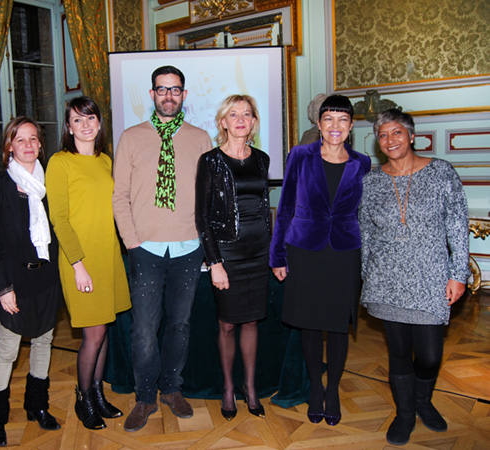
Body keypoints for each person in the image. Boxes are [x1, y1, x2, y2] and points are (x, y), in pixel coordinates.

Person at [359, 109, 470, 446]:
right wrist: (367, 276)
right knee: (398, 350)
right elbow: (365, 232)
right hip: (386, 278)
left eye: (396, 133)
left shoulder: (441, 173)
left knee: (430, 354)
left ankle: (422, 398)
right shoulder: (372, 181)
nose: (390, 140)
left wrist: (459, 273)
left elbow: (457, 225)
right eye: (382, 135)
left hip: (430, 277)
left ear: (411, 135)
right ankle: (405, 413)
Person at [113, 65, 213, 432]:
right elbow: (119, 196)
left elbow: (206, 197)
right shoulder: (131, 137)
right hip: (145, 249)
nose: (168, 95)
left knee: (180, 326)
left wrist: (204, 243)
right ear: (152, 94)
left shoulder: (201, 138)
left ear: (184, 95)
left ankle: (172, 388)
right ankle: (144, 397)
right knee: (142, 329)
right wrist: (131, 242)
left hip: (188, 248)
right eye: (161, 89)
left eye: (175, 89)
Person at [270, 95, 371, 426]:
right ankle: (316, 389)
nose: (335, 126)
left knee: (339, 325)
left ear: (351, 126)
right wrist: (278, 254)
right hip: (305, 250)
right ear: (319, 123)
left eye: (342, 120)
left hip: (344, 253)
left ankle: (334, 391)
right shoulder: (300, 156)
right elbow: (285, 207)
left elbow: (367, 214)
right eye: (329, 119)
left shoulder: (362, 163)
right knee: (311, 324)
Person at [46, 97, 131, 430]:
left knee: (104, 327)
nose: (85, 125)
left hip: (107, 255)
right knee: (93, 334)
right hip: (78, 260)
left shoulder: (106, 160)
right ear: (68, 127)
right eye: (77, 120)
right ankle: (84, 400)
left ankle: (97, 394)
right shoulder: (60, 162)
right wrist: (78, 264)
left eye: (90, 118)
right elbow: (60, 219)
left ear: (99, 123)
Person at [0, 117, 63, 447]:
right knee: (7, 351)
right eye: (20, 139)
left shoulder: (48, 185)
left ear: (40, 145)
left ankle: (37, 406)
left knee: (43, 343)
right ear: (9, 147)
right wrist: (2, 288)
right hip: (12, 283)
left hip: (46, 277)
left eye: (33, 139)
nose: (28, 145)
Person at [196, 95, 270, 420]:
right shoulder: (210, 160)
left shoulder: (263, 159)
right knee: (227, 324)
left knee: (252, 321)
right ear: (223, 122)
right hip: (227, 253)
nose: (241, 119)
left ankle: (250, 387)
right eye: (233, 114)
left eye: (247, 114)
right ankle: (228, 388)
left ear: (253, 122)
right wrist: (215, 262)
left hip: (259, 252)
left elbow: (265, 207)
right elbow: (202, 217)